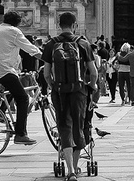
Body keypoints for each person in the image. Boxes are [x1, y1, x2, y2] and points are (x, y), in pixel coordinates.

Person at [44, 10, 99, 180]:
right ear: (75, 25)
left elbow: (46, 74)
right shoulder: (83, 43)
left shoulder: (51, 44)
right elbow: (94, 72)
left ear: (58, 25)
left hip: (60, 92)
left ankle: (70, 171)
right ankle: (75, 167)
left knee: (64, 127)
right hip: (79, 91)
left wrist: (54, 86)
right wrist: (92, 85)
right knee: (79, 126)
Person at [0, 11, 44, 145]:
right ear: (18, 23)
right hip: (2, 70)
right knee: (23, 98)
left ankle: (1, 112)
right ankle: (20, 134)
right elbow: (31, 49)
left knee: (13, 87)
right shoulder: (14, 31)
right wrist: (47, 58)